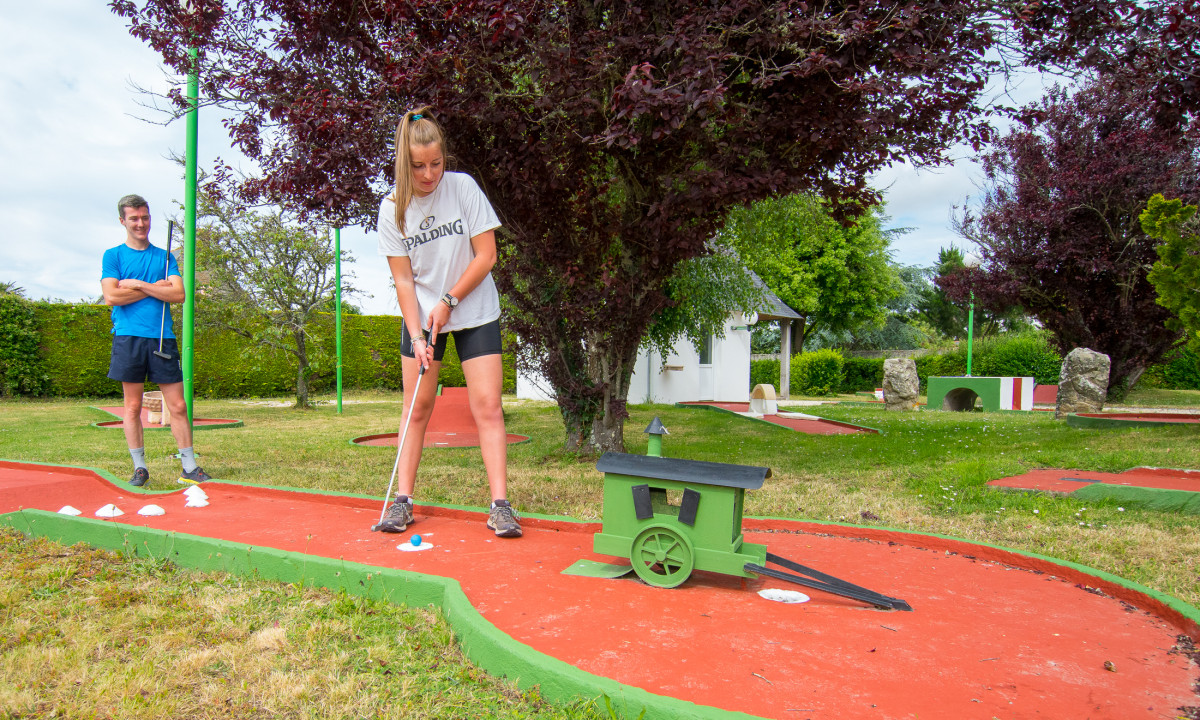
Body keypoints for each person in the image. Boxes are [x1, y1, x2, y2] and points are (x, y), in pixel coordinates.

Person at [375, 107, 521, 538]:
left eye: (436, 163)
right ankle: (402, 502)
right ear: (404, 161)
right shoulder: (392, 209)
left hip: (473, 310)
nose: (429, 174)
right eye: (418, 166)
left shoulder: (463, 189)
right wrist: (417, 334)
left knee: (488, 407)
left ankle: (500, 506)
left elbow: (486, 255)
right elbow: (403, 279)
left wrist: (450, 300)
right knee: (416, 408)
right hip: (423, 317)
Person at [101, 194, 210, 487]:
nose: (141, 223)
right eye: (134, 218)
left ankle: (189, 466)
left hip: (163, 338)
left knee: (177, 406)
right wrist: (153, 288)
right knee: (133, 407)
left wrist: (136, 284)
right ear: (123, 221)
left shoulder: (165, 257)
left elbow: (179, 295)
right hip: (128, 338)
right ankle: (140, 468)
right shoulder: (113, 256)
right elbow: (112, 296)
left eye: (145, 217)